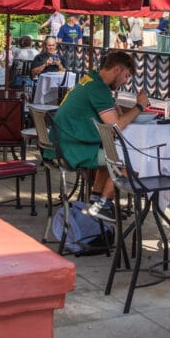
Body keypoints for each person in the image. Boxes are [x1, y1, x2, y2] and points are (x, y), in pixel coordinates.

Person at [53, 51, 149, 222]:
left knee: (110, 151)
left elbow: (108, 117)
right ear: (117, 70)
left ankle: (96, 200)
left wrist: (118, 110)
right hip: (73, 149)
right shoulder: (99, 89)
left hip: (64, 143)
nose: (126, 81)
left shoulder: (91, 80)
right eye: (126, 76)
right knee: (132, 161)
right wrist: (140, 106)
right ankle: (103, 205)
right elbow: (115, 127)